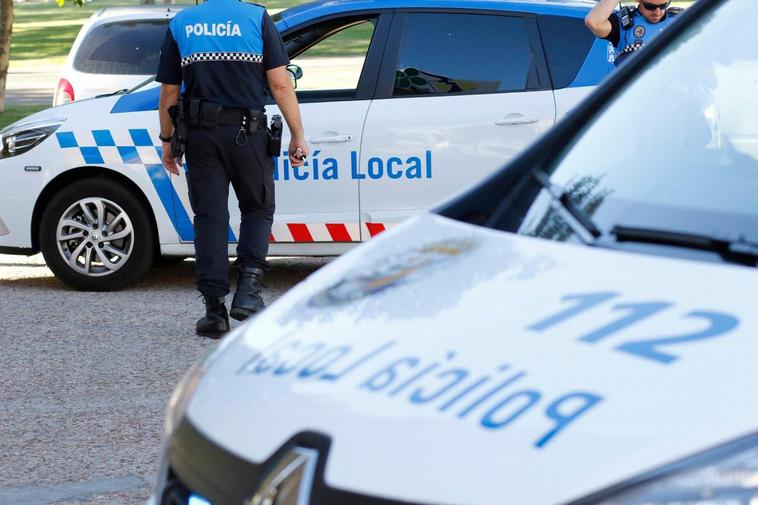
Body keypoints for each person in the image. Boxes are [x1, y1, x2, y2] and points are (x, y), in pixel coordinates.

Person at [156, 0, 308, 338]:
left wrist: (168, 139)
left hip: (199, 136)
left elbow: (169, 90)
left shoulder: (184, 22)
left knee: (210, 218)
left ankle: (214, 312)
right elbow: (281, 83)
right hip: (247, 133)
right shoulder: (256, 18)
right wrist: (297, 134)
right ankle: (248, 293)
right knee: (257, 207)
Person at [585, 0, 681, 67]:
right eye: (650, 6)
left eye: (663, 5)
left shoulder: (679, 20)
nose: (658, 12)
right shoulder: (623, 23)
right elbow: (593, 22)